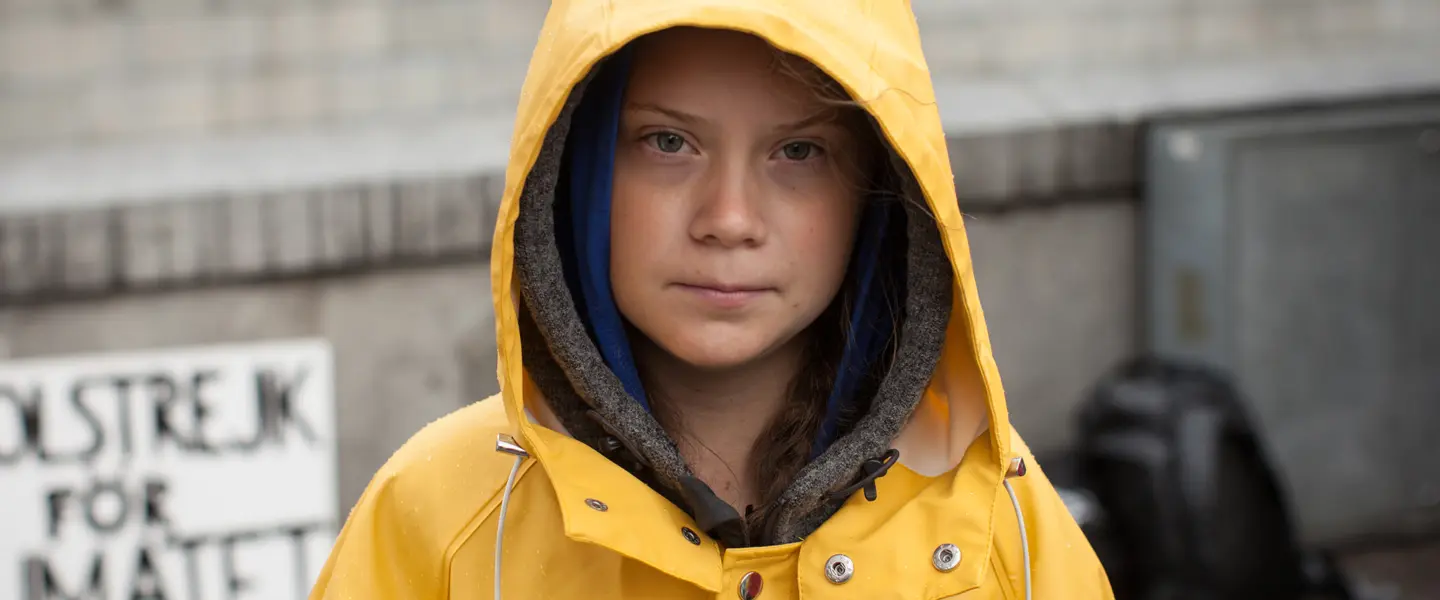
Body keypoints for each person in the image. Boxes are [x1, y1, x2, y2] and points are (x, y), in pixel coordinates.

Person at [311, 2, 1114, 599]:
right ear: (576, 171)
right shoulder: (443, 515)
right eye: (668, 143)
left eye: (798, 152)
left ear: (876, 193)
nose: (729, 219)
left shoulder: (999, 524)